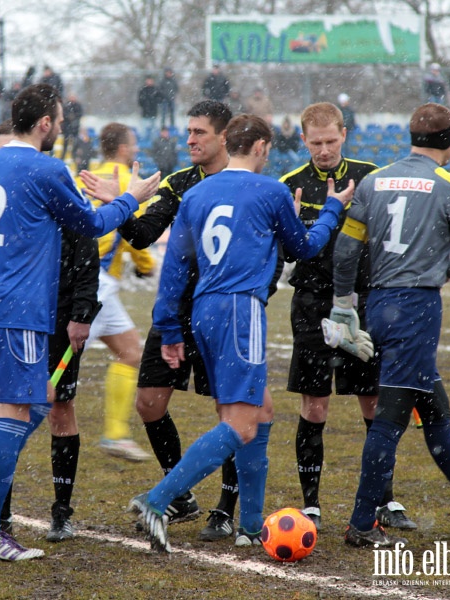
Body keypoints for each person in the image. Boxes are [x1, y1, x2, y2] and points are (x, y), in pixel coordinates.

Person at [0, 83, 159, 561]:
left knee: (33, 406)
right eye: (58, 119)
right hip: (22, 314)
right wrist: (132, 198)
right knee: (14, 415)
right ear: (46, 124)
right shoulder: (46, 167)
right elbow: (92, 227)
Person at [129, 114, 351, 553]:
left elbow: (174, 269)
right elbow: (304, 248)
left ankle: (250, 526)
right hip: (240, 309)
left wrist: (170, 326)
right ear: (264, 148)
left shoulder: (194, 194)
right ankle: (156, 501)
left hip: (203, 311)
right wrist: (332, 208)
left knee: (261, 411)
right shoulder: (270, 190)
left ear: (229, 144)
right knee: (242, 422)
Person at [333, 103, 450, 548]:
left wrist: (343, 303)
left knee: (435, 411)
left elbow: (344, 252)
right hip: (415, 309)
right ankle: (362, 525)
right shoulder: (447, 185)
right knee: (390, 420)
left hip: (378, 302)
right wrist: (443, 270)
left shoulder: (374, 181)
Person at [115, 101, 271, 544]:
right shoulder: (180, 183)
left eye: (199, 132)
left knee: (235, 411)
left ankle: (226, 509)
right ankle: (176, 493)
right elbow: (144, 236)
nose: (190, 140)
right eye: (188, 132)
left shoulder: (253, 187)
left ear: (226, 137)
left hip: (225, 311)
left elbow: (271, 256)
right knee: (150, 403)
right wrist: (124, 206)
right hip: (178, 312)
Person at [280, 102, 415, 532]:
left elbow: (392, 239)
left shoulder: (372, 177)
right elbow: (284, 252)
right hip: (312, 305)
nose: (324, 150)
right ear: (303, 140)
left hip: (365, 302)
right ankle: (312, 506)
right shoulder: (289, 185)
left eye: (331, 141)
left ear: (344, 134)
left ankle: (384, 501)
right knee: (314, 406)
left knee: (373, 404)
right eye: (316, 143)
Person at [84, 122, 153, 462]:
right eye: (134, 144)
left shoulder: (83, 174)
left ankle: (115, 434)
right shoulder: (127, 181)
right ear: (124, 149)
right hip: (94, 283)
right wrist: (146, 264)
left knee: (130, 350)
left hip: (89, 278)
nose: (137, 149)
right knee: (50, 372)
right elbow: (132, 230)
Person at [138, 76, 162, 142]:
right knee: (143, 131)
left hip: (154, 113)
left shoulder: (156, 90)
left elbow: (160, 100)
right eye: (148, 80)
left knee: (153, 131)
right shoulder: (142, 90)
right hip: (145, 114)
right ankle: (144, 143)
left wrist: (154, 102)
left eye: (150, 80)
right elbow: (140, 102)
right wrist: (145, 104)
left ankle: (153, 143)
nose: (149, 82)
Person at [61, 93, 84, 161]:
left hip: (75, 127)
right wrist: (69, 117)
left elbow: (80, 114)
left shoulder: (78, 106)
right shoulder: (66, 105)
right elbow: (64, 114)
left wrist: (74, 117)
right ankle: (63, 156)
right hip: (67, 127)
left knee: (75, 142)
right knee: (66, 142)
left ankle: (73, 155)